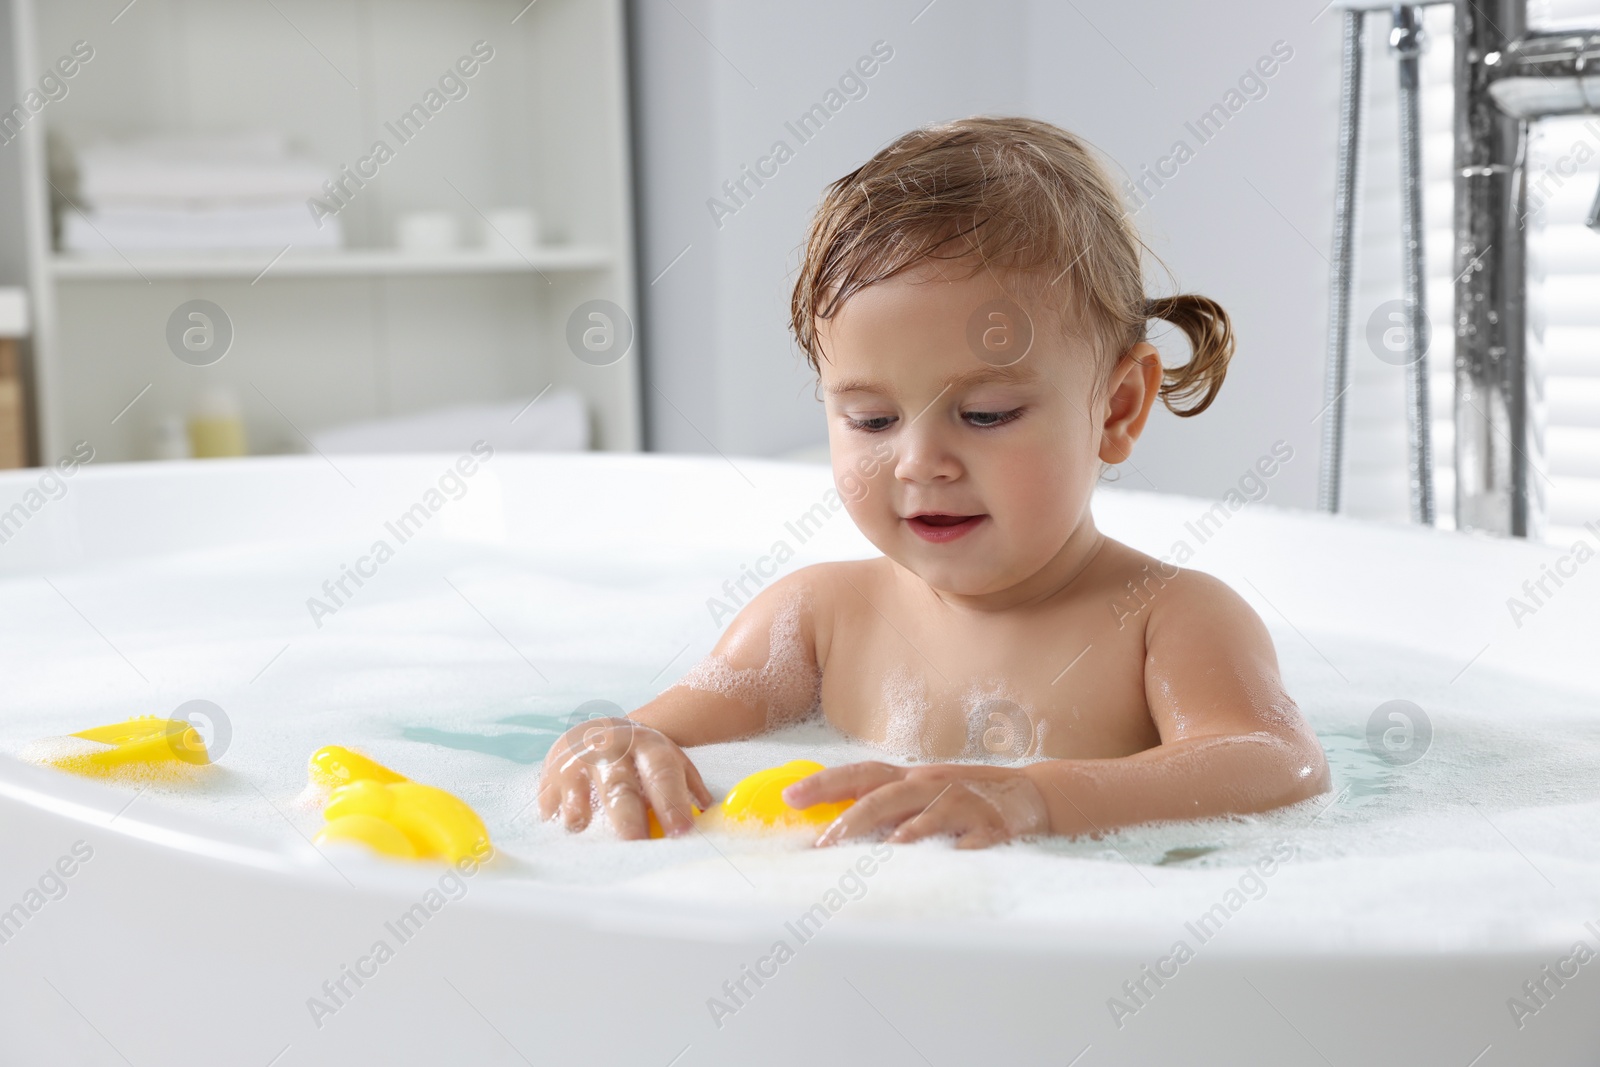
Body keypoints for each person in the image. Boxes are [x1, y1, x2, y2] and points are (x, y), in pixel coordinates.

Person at [539, 116, 1329, 848]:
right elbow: (633, 733)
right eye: (872, 420)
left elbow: (1273, 762)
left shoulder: (1171, 620)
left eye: (985, 413)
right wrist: (616, 748)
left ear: (1117, 408)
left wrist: (1037, 798)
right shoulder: (813, 622)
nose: (920, 461)